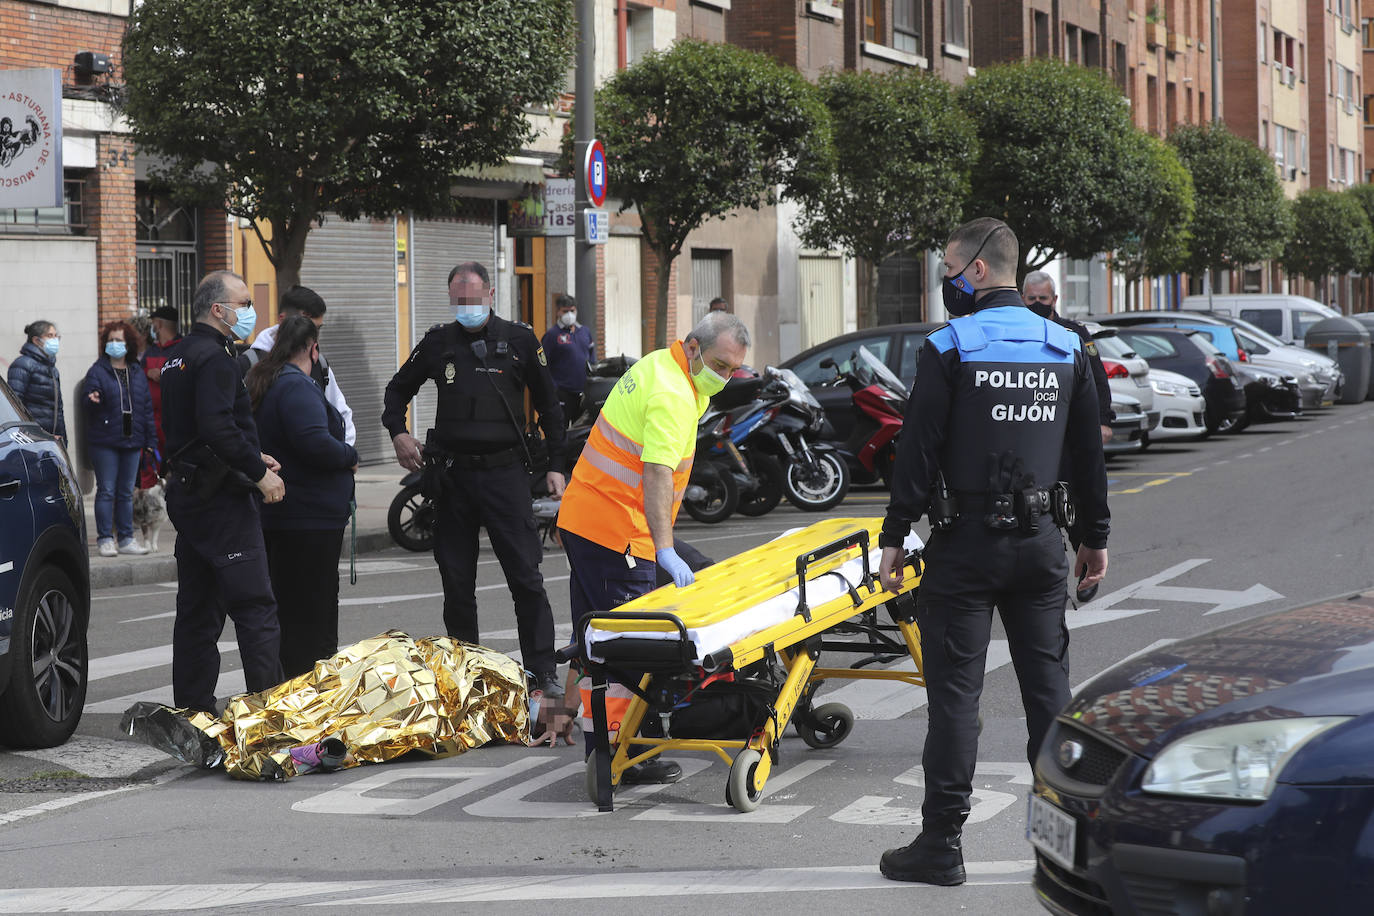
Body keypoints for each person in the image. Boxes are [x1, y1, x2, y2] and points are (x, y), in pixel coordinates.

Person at [875, 218, 1109, 886]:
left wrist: (895, 536)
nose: (945, 279)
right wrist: (1095, 537)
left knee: (954, 699)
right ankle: (1071, 848)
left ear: (978, 269)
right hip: (1040, 546)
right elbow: (1088, 455)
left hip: (964, 546)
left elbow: (917, 449)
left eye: (949, 267)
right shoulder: (1067, 346)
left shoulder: (949, 346)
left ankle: (941, 846)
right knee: (1050, 696)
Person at [558, 310, 751, 784]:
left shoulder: (661, 367)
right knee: (629, 650)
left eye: (732, 370)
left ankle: (598, 749)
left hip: (588, 521)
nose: (724, 378)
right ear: (691, 347)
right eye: (719, 365)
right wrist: (665, 550)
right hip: (617, 533)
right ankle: (624, 759)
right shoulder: (672, 394)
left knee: (595, 643)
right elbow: (657, 472)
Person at [381, 261, 567, 697]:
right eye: (458, 298)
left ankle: (543, 674)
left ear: (490, 296)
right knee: (457, 583)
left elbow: (550, 406)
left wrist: (557, 465)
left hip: (505, 476)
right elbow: (396, 390)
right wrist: (398, 433)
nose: (466, 306)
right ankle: (467, 675)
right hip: (453, 478)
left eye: (473, 297)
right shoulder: (437, 342)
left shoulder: (520, 339)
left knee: (526, 579)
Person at [160, 270, 286, 713]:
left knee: (197, 610)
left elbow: (198, 429)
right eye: (245, 303)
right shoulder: (216, 358)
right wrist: (258, 471)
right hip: (221, 501)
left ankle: (192, 714)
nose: (250, 312)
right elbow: (216, 426)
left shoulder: (178, 356)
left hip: (192, 493)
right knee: (255, 609)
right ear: (219, 309)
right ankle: (269, 717)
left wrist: (255, 454)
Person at [247, 315, 359, 678]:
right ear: (313, 348)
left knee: (294, 606)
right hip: (308, 516)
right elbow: (314, 443)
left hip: (294, 514)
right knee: (312, 610)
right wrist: (350, 456)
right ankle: (308, 688)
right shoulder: (295, 385)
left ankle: (295, 684)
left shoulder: (271, 378)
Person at [242, 286, 356, 446]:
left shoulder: (319, 364)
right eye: (304, 326)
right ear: (283, 320)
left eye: (316, 329)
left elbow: (342, 414)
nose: (311, 336)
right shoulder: (251, 362)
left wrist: (343, 454)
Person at [82, 321, 158, 557]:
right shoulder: (97, 370)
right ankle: (105, 538)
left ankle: (126, 538)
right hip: (104, 440)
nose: (115, 344)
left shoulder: (136, 370)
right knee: (106, 491)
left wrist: (150, 442)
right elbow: (88, 399)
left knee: (126, 492)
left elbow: (146, 408)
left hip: (132, 440)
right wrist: (91, 399)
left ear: (129, 343)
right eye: (111, 340)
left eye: (119, 340)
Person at [1021, 271, 1114, 446]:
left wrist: (1103, 421)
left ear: (1054, 300)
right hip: (1029, 422)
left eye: (1043, 298)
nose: (1037, 303)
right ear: (1023, 298)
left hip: (1070, 422)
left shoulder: (1074, 333)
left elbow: (1097, 379)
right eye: (1032, 299)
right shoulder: (1017, 333)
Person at [540, 293, 595, 426]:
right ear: (558, 311)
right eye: (565, 311)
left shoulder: (585, 332)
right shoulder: (551, 335)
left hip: (583, 394)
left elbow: (592, 359)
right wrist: (553, 389)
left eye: (572, 310)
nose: (569, 314)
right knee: (560, 431)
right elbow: (543, 366)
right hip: (562, 394)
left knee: (582, 433)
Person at [8, 320, 66, 443]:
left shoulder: (52, 368)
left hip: (52, 438)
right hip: (33, 439)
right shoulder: (23, 364)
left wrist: (62, 439)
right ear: (36, 340)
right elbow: (15, 405)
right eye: (50, 336)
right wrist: (32, 436)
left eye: (56, 336)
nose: (55, 340)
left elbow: (57, 409)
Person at [142, 305, 183, 456]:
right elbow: (138, 373)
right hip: (151, 420)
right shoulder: (151, 350)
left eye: (153, 323)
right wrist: (148, 372)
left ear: (158, 324)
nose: (152, 327)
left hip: (173, 419)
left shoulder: (181, 348)